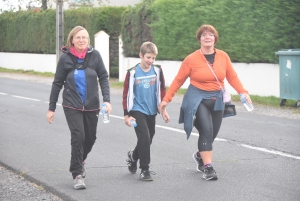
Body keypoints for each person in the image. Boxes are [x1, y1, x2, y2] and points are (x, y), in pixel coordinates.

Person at [158, 24, 252, 181]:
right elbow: (178, 80)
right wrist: (166, 99)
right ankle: (208, 168)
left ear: (215, 38)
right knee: (206, 131)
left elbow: (232, 77)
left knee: (213, 133)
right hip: (198, 99)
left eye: (210, 34)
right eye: (204, 35)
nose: (207, 37)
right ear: (199, 39)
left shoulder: (223, 56)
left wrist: (243, 92)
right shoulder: (191, 59)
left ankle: (199, 155)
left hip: (218, 100)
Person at [46, 26, 112, 189]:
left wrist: (107, 100)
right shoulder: (65, 59)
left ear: (88, 40)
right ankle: (77, 174)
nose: (81, 40)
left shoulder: (95, 56)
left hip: (92, 105)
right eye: (78, 38)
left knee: (90, 138)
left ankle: (80, 160)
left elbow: (103, 77)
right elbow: (57, 84)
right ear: (72, 40)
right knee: (78, 136)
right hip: (72, 104)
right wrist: (51, 108)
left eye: (84, 37)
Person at [123, 41, 170, 181]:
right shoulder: (132, 73)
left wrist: (163, 109)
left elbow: (162, 90)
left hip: (151, 110)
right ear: (141, 55)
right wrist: (127, 114)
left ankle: (133, 156)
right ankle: (145, 169)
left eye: (153, 58)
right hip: (137, 110)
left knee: (148, 139)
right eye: (148, 57)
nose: (150, 61)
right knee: (144, 137)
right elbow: (126, 94)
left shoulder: (157, 70)